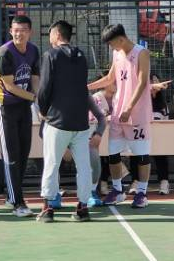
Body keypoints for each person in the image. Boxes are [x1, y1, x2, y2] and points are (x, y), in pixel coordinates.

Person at [35, 20, 105, 223]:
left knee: (52, 163)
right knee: (83, 166)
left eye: (50, 33)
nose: (49, 37)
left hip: (57, 121)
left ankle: (47, 208)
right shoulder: (81, 56)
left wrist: (42, 110)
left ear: (57, 34)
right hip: (80, 122)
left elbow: (44, 88)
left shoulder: (50, 55)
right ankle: (82, 207)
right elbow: (82, 87)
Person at [88, 24, 152, 208]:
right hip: (118, 112)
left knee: (141, 155)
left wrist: (129, 108)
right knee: (113, 154)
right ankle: (117, 191)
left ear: (121, 39)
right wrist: (86, 87)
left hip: (137, 114)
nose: (111, 47)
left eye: (111, 43)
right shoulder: (117, 54)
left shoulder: (141, 53)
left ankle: (142, 193)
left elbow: (142, 82)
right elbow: (110, 79)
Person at [0, 15, 40, 217]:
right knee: (11, 155)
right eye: (16, 30)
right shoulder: (4, 53)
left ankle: (12, 196)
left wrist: (38, 98)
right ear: (10, 31)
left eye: (23, 30)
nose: (19, 34)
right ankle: (17, 203)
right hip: (6, 107)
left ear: (30, 32)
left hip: (24, 106)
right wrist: (34, 97)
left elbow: (35, 78)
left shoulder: (33, 50)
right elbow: (10, 86)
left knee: (23, 153)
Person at [149, 73, 173, 195]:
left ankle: (164, 182)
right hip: (143, 137)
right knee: (137, 155)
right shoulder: (142, 102)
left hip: (158, 139)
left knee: (161, 154)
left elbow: (166, 124)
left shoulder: (163, 106)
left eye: (156, 80)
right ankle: (136, 182)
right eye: (151, 81)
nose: (155, 83)